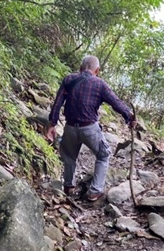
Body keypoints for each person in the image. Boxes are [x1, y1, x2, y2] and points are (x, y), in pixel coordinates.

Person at [46, 55, 137, 202]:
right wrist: (130, 117)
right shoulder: (100, 84)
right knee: (103, 155)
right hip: (89, 129)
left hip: (69, 127)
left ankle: (68, 186)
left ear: (81, 68)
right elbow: (116, 102)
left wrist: (52, 124)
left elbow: (57, 103)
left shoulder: (69, 79)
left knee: (69, 156)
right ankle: (94, 191)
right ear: (97, 70)